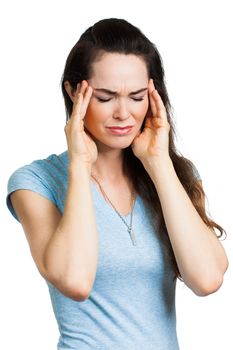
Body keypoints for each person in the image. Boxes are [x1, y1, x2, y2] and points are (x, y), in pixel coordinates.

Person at [6, 18, 228, 350]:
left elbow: (207, 279)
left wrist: (158, 163)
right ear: (73, 92)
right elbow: (75, 281)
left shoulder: (174, 176)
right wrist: (80, 165)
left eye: (137, 97)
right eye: (106, 97)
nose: (123, 113)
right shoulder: (35, 182)